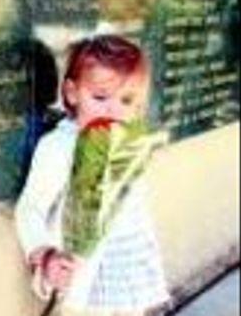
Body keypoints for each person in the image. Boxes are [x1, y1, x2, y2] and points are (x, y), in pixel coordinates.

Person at [15, 35, 170, 316]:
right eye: (100, 97)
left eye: (127, 100)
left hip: (128, 266)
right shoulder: (60, 147)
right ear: (73, 93)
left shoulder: (126, 139)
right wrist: (45, 255)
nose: (113, 110)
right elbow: (30, 208)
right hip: (87, 278)